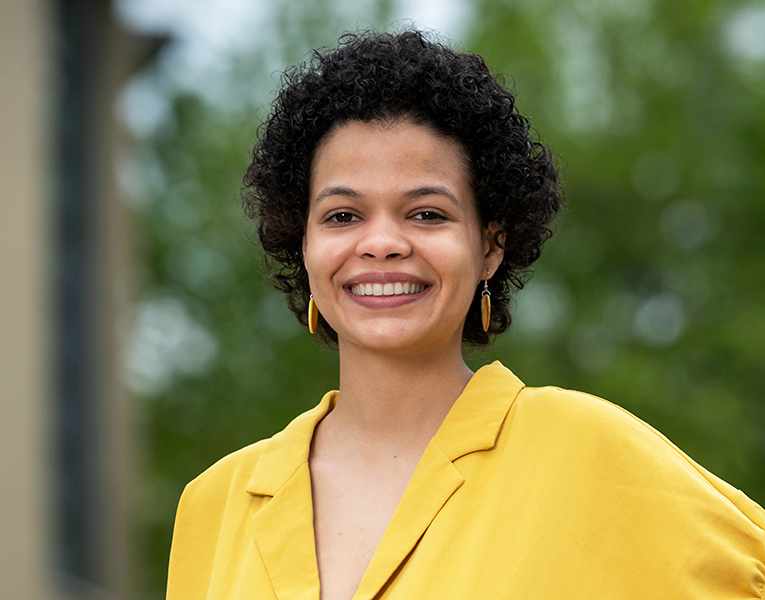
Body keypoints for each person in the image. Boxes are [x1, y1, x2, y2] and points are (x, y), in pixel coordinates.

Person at [165, 30, 765, 600]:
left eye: (426, 214)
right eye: (343, 216)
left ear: (490, 246)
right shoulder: (214, 505)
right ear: (303, 244)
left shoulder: (592, 455)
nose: (382, 243)